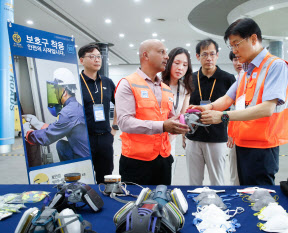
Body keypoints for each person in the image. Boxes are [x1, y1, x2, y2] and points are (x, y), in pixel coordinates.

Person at [191, 18, 288, 185]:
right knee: (243, 193)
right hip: (242, 143)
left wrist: (222, 116)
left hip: (263, 147)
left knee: (260, 199)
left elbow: (267, 109)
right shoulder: (245, 72)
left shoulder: (276, 66)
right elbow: (227, 98)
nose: (234, 50)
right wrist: (206, 107)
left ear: (253, 39)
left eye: (236, 44)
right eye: (231, 46)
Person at [115, 39, 189, 185]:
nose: (167, 57)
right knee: (138, 205)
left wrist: (188, 118)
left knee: (162, 203)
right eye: (162, 52)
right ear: (146, 56)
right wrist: (162, 126)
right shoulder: (128, 83)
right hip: (136, 162)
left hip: (163, 159)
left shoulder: (165, 88)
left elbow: (168, 118)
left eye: (166, 53)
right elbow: (124, 122)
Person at [185, 39, 235, 186]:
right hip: (193, 137)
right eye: (204, 54)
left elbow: (234, 108)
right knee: (194, 182)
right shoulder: (189, 79)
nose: (209, 58)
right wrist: (183, 133)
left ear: (217, 55)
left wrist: (231, 132)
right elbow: (184, 108)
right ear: (197, 56)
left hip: (217, 137)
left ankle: (217, 208)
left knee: (217, 181)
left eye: (212, 54)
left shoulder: (228, 79)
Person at [23, 68, 90, 162]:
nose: (54, 93)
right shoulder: (75, 107)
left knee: (61, 145)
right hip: (87, 153)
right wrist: (38, 123)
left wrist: (28, 133)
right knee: (61, 145)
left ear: (65, 91)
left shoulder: (68, 112)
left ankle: (73, 169)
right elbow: (58, 128)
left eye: (56, 90)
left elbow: (47, 137)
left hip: (84, 159)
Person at [78, 44, 118, 184]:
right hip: (84, 138)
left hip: (105, 137)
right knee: (85, 177)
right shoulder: (77, 83)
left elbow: (119, 103)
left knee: (106, 176)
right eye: (92, 56)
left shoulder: (107, 82)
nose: (97, 60)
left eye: (98, 56)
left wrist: (115, 128)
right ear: (81, 60)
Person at [161, 47, 193, 159]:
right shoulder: (157, 84)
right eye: (177, 63)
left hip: (171, 138)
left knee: (168, 172)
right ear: (169, 63)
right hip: (153, 136)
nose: (180, 68)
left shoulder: (185, 89)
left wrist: (177, 136)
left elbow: (182, 116)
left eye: (184, 65)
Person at [227, 51, 243, 185]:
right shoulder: (237, 80)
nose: (238, 63)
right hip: (236, 135)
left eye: (240, 59)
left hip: (255, 138)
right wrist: (231, 133)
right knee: (235, 175)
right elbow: (233, 110)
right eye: (234, 59)